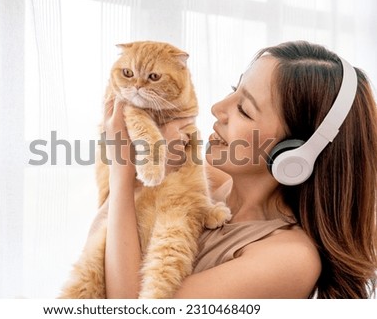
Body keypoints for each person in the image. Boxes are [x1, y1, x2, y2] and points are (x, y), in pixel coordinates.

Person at [102, 40, 377, 298]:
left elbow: (128, 306)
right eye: (234, 90)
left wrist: (122, 172)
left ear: (295, 154)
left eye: (244, 109)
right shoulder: (204, 180)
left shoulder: (290, 258)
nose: (217, 108)